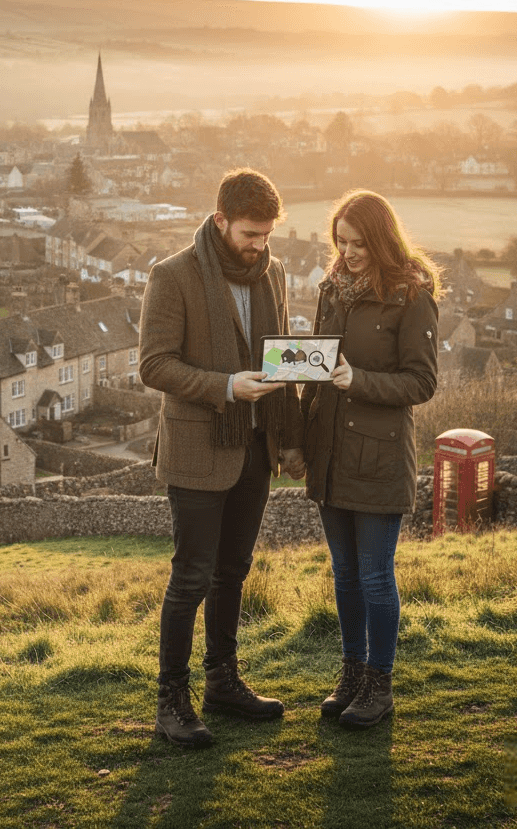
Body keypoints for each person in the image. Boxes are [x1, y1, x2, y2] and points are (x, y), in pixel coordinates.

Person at [138, 168, 305, 748]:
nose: (259, 246)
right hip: (196, 451)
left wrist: (307, 373)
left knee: (233, 573)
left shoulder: (274, 274)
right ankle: (171, 702)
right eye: (250, 234)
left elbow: (278, 352)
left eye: (266, 236)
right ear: (220, 222)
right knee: (191, 579)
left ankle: (222, 683)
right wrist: (227, 385)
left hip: (255, 449)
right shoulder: (172, 275)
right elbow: (153, 365)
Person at [301, 190, 439, 728]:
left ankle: (379, 686)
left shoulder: (411, 296)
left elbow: (422, 382)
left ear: (381, 240)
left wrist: (359, 380)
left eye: (358, 243)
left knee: (375, 577)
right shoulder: (330, 290)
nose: (348, 252)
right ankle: (352, 674)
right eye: (341, 241)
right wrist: (295, 433)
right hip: (330, 452)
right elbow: (315, 363)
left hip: (379, 456)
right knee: (343, 575)